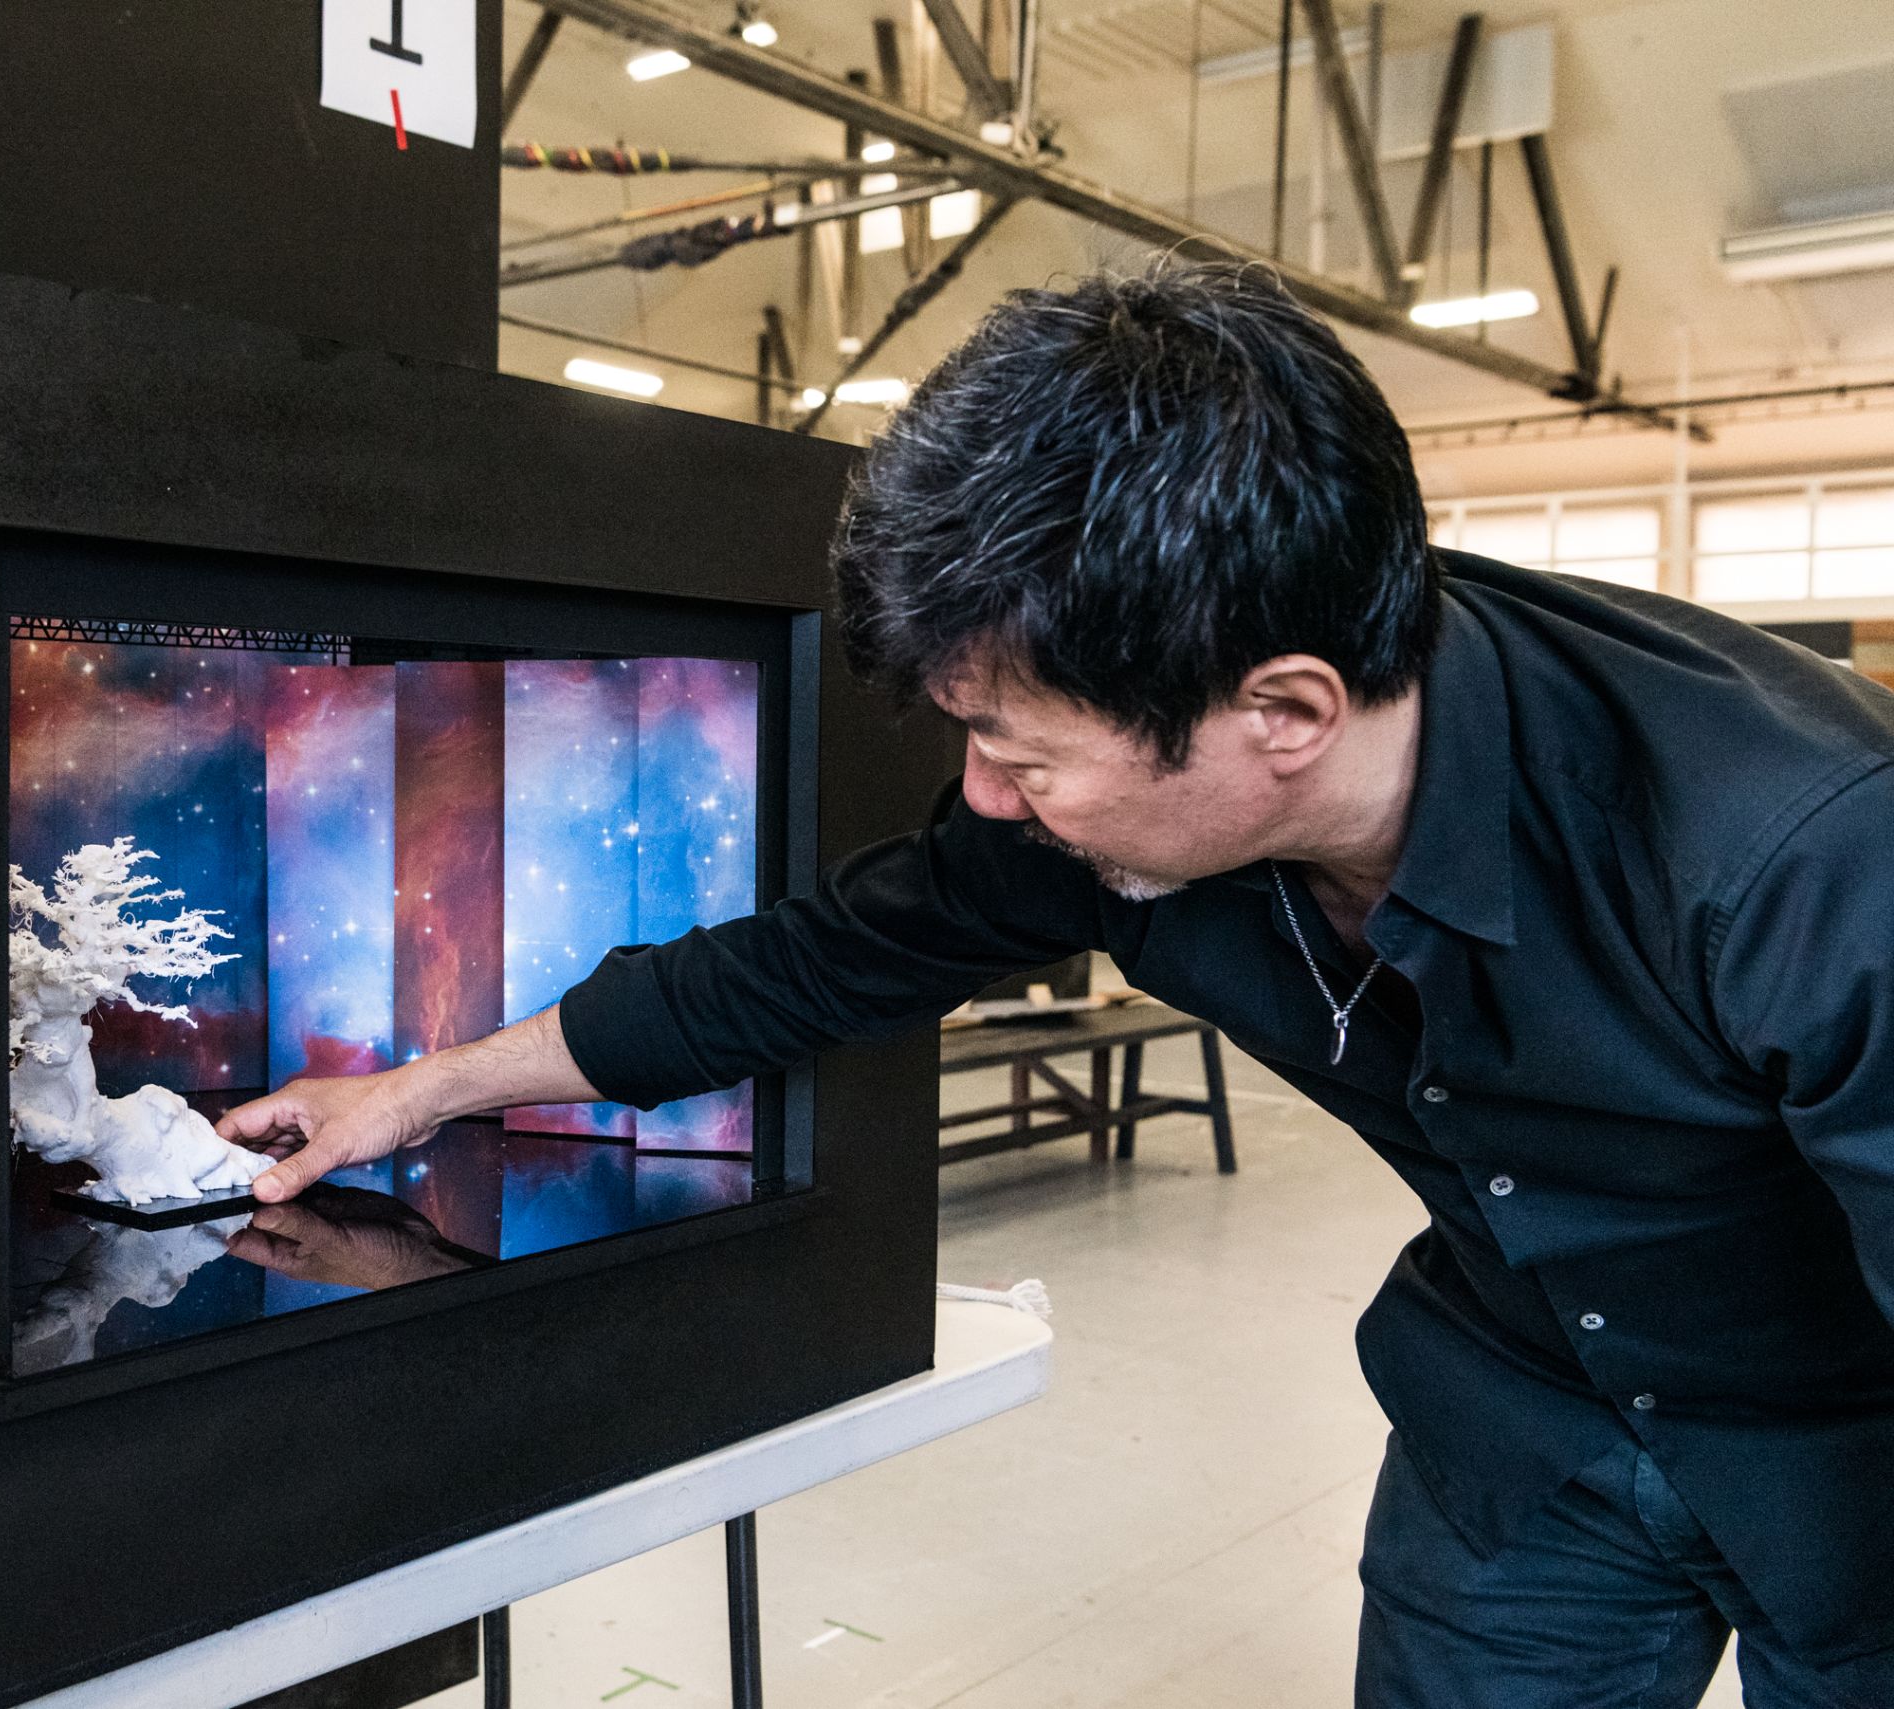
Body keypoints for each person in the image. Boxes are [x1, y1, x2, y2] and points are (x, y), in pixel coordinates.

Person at [217, 264, 1894, 1708]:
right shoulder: (1104, 808)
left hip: (1851, 1451)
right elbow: (796, 968)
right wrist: (418, 1088)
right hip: (1521, 1426)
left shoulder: (1799, 857)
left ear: (1284, 715)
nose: (991, 797)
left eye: (1019, 749)